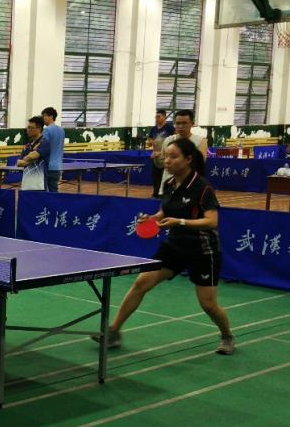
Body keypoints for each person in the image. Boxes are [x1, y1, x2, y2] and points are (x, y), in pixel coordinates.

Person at [94, 137, 235, 355]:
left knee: (208, 304)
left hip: (202, 250)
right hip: (175, 246)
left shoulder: (202, 187)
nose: (167, 161)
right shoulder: (169, 184)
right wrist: (151, 219)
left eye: (173, 157)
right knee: (141, 283)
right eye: (166, 156)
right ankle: (113, 331)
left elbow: (212, 221)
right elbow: (165, 212)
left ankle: (227, 336)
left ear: (188, 159)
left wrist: (180, 222)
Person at [160, 109, 207, 188]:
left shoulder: (201, 141)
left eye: (184, 123)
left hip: (190, 184)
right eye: (178, 123)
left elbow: (200, 164)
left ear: (192, 124)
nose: (181, 126)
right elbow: (162, 160)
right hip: (168, 183)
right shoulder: (168, 140)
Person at [147, 109, 174, 197]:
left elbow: (174, 142)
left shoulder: (170, 128)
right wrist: (150, 142)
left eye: (159, 116)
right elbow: (149, 141)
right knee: (155, 177)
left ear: (164, 117)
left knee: (165, 177)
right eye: (156, 117)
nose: (156, 118)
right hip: (156, 158)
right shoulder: (153, 129)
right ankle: (155, 194)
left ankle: (164, 195)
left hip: (167, 157)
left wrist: (162, 152)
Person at [16, 116, 46, 190]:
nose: (28, 130)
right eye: (28, 127)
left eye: (31, 128)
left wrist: (27, 159)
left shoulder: (45, 142)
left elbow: (33, 156)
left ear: (39, 129)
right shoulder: (27, 145)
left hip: (40, 185)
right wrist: (30, 159)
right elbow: (18, 163)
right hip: (26, 184)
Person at [41, 107, 64, 192]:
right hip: (57, 167)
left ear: (51, 116)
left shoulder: (46, 130)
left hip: (47, 167)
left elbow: (43, 148)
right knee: (54, 191)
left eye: (44, 116)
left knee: (43, 193)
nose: (43, 118)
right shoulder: (61, 130)